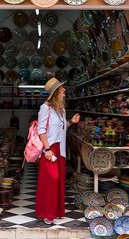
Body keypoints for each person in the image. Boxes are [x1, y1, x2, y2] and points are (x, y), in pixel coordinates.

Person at [35, 77, 80, 225]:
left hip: (60, 149)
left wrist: (71, 122)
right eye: (62, 88)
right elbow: (41, 130)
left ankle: (56, 212)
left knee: (58, 180)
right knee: (51, 179)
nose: (64, 90)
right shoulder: (45, 108)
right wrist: (47, 149)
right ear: (55, 93)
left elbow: (61, 128)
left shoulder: (61, 110)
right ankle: (46, 213)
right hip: (50, 148)